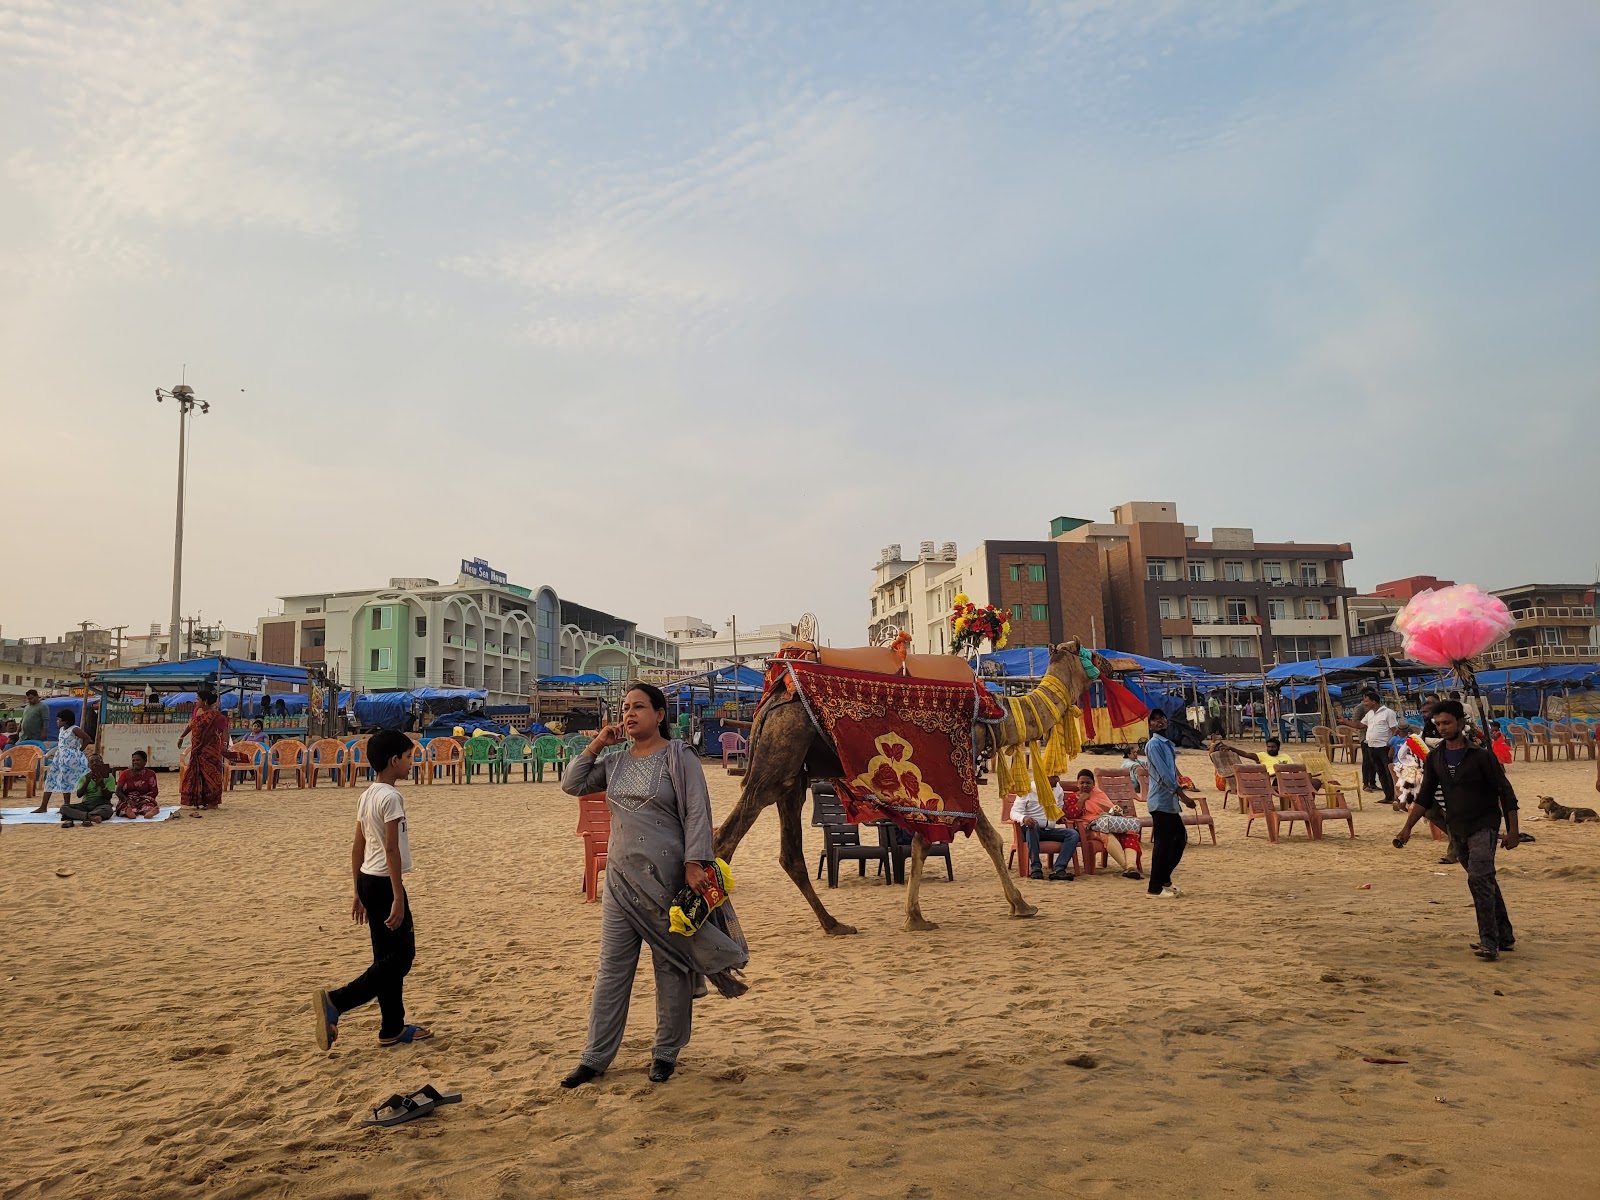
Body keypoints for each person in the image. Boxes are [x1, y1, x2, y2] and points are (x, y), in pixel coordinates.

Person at [557, 682, 749, 1088]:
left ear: (660, 715)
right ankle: (594, 1057)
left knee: (670, 966)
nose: (629, 714)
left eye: (639, 707)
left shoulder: (680, 758)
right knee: (612, 969)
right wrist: (596, 743)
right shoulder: (613, 762)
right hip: (621, 884)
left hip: (668, 882)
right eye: (625, 708)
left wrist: (695, 863)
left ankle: (665, 1053)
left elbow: (698, 811)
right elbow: (572, 784)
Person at [312, 729, 430, 1050]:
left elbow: (357, 847)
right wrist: (397, 896)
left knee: (386, 957)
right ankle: (337, 1001)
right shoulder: (391, 797)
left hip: (368, 879)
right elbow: (390, 849)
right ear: (393, 761)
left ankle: (391, 1028)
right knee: (402, 957)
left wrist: (357, 892)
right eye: (408, 757)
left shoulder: (367, 794)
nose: (411, 763)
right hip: (383, 882)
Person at [1394, 700, 1519, 960]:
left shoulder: (1482, 757)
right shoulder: (1436, 758)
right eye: (1438, 724)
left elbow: (1505, 792)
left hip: (1484, 825)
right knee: (1484, 880)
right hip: (1457, 827)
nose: (1442, 728)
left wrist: (1513, 830)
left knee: (1478, 879)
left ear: (1460, 723)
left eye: (1447, 722)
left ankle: (1489, 941)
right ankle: (1504, 935)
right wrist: (1406, 829)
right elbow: (1424, 797)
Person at [1143, 709, 1194, 899]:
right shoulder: (1154, 744)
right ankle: (1154, 888)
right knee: (1162, 845)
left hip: (1169, 801)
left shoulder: (1167, 745)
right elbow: (1164, 774)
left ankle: (1164, 880)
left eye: (1162, 718)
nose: (1159, 722)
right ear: (1150, 726)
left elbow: (1172, 771)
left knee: (1179, 839)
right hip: (1160, 800)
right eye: (1155, 720)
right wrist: (1183, 796)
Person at [1074, 768, 1141, 878]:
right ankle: (1127, 867)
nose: (1085, 785)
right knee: (1106, 834)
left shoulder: (1098, 793)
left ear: (1093, 784)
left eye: (1088, 783)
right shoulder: (1074, 797)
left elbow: (1109, 808)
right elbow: (1072, 815)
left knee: (1129, 833)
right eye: (1082, 783)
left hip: (1108, 823)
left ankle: (1131, 866)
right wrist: (1081, 800)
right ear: (1078, 784)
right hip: (1088, 829)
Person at [1338, 689, 1399, 807]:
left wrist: (1391, 746)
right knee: (1380, 772)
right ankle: (1388, 796)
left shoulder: (1388, 713)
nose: (1365, 703)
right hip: (1372, 746)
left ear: (1374, 701)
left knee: (1388, 772)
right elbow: (1360, 725)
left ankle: (1394, 796)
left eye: (1366, 701)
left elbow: (1394, 730)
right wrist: (1344, 721)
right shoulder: (1370, 714)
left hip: (1384, 747)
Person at [177, 686, 232, 814]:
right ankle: (199, 801)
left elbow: (224, 731)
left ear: (205, 701)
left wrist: (224, 746)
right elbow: (191, 725)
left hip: (210, 750)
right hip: (197, 749)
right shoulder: (197, 711)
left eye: (198, 699)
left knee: (211, 776)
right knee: (196, 774)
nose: (196, 701)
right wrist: (181, 737)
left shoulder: (216, 716)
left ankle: (213, 803)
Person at [1008, 786, 1081, 881]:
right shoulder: (1028, 789)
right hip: (1030, 830)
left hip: (1048, 830)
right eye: (1054, 776)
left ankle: (1059, 868)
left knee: (1073, 834)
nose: (1058, 778)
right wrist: (1024, 818)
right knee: (1033, 826)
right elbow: (1013, 812)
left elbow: (1058, 809)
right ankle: (1036, 868)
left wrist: (1058, 817)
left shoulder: (1058, 789)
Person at [34, 709, 90, 814]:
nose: (57, 722)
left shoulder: (75, 729)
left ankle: (66, 806)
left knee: (66, 781)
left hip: (70, 759)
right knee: (50, 779)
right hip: (59, 757)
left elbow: (87, 738)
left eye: (59, 720)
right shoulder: (62, 730)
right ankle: (43, 806)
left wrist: (79, 750)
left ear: (66, 721)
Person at [61, 754, 117, 826]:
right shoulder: (84, 778)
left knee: (108, 810)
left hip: (102, 803)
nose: (94, 763)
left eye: (97, 761)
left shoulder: (109, 777)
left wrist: (102, 785)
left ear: (102, 763)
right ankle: (91, 817)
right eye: (91, 762)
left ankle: (81, 816)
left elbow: (108, 797)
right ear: (88, 765)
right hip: (86, 804)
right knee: (64, 808)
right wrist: (86, 782)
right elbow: (79, 795)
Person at [1211, 735, 1297, 780]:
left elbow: (1293, 768)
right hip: (1272, 778)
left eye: (1273, 747)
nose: (1271, 749)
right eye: (1269, 747)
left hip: (1287, 777)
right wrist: (1231, 748)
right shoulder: (1262, 755)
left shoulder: (1285, 756)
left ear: (1278, 748)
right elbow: (1246, 754)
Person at [114, 750, 162, 819]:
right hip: (128, 799)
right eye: (133, 760)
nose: (135, 762)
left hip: (144, 799)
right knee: (124, 806)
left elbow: (154, 791)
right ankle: (129, 812)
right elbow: (118, 791)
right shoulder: (124, 773)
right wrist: (128, 800)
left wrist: (144, 801)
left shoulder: (151, 774)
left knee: (149, 805)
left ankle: (148, 812)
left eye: (138, 760)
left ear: (145, 761)